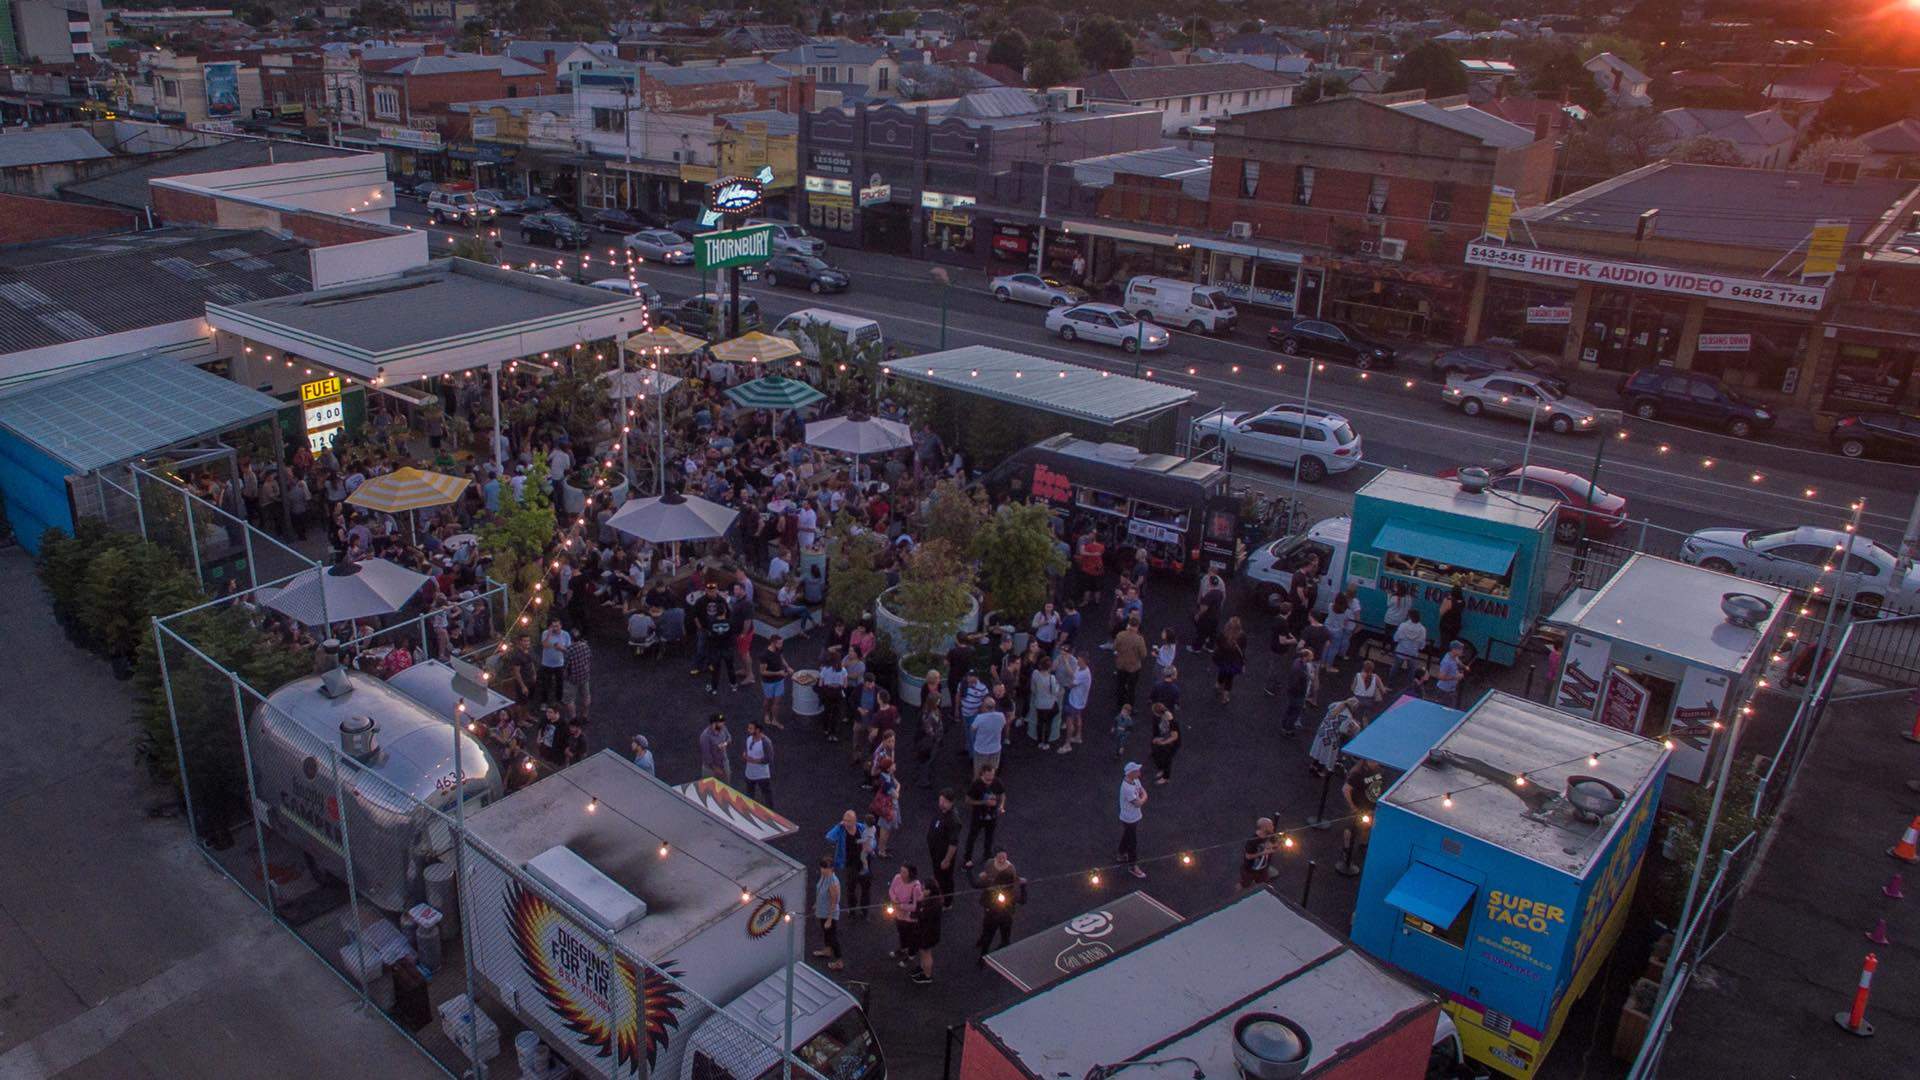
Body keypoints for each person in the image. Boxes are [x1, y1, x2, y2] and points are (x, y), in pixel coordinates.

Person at [974, 850, 1020, 964]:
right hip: (1004, 917)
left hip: (992, 915)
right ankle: (998, 953)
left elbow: (976, 885)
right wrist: (1023, 888)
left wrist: (970, 871)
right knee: (1003, 937)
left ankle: (983, 957)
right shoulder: (1011, 893)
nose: (1002, 860)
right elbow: (1021, 899)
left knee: (988, 935)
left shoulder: (993, 888)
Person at [963, 766, 1006, 869]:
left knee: (989, 837)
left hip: (992, 816)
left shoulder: (997, 782)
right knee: (972, 837)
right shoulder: (976, 784)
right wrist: (984, 802)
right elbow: (968, 800)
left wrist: (1001, 806)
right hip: (978, 816)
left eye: (992, 778)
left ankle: (987, 855)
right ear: (982, 774)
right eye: (987, 779)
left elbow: (1002, 794)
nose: (990, 781)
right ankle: (967, 858)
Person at [1310, 698, 1363, 777]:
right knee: (1326, 755)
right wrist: (1350, 731)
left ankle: (1312, 766)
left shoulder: (1336, 705)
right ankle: (1319, 771)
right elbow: (1342, 730)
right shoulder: (1348, 716)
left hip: (1322, 731)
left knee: (1319, 750)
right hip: (1331, 738)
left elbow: (1329, 707)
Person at [926, 789, 961, 907]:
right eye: (941, 800)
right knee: (938, 875)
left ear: (952, 802)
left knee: (946, 878)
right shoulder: (941, 811)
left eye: (945, 801)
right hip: (936, 852)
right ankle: (938, 894)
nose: (941, 803)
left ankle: (947, 902)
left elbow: (953, 843)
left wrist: (947, 860)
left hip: (943, 855)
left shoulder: (953, 820)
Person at [887, 865, 926, 965]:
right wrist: (895, 900)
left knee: (911, 936)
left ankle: (911, 955)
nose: (901, 874)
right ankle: (903, 948)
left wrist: (900, 906)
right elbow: (891, 890)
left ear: (910, 874)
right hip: (898, 913)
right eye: (901, 871)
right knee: (901, 932)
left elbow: (915, 906)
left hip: (910, 918)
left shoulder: (916, 887)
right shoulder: (897, 878)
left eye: (904, 872)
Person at [813, 854, 844, 971]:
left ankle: (839, 961)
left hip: (830, 913)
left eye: (825, 868)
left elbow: (834, 901)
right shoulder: (824, 877)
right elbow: (820, 889)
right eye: (821, 867)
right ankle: (827, 950)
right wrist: (816, 903)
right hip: (823, 910)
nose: (822, 870)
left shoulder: (833, 882)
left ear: (831, 868)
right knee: (826, 933)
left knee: (832, 937)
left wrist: (830, 919)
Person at [1117, 762, 1148, 879]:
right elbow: (1138, 802)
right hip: (1129, 818)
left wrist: (1142, 796)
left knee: (1127, 835)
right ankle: (1133, 866)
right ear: (1131, 773)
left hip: (1134, 817)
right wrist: (1145, 797)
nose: (1139, 772)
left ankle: (1121, 854)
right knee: (1132, 842)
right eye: (1137, 771)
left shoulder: (1135, 781)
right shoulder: (1127, 788)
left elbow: (1141, 790)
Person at [1112, 614, 1148, 710]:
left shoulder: (1120, 635)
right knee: (1131, 688)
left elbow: (1114, 647)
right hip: (1133, 667)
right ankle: (1130, 707)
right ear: (1137, 626)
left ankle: (1119, 704)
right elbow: (1143, 655)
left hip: (1121, 665)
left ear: (1128, 624)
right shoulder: (1139, 639)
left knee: (1120, 685)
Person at [1028, 655, 1063, 750]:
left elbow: (1033, 688)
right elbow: (1054, 692)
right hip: (1049, 705)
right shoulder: (1052, 678)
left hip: (1039, 703)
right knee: (1048, 724)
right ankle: (1046, 743)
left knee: (1039, 722)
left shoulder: (1035, 674)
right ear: (1049, 667)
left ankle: (1039, 741)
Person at [758, 634, 793, 729]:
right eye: (780, 643)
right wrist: (778, 673)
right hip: (768, 682)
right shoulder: (764, 655)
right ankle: (766, 714)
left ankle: (774, 720)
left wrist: (788, 667)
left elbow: (782, 658)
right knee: (768, 700)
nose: (782, 645)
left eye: (782, 643)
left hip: (779, 680)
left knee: (777, 702)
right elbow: (762, 672)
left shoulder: (779, 649)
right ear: (773, 643)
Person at [910, 879, 942, 985]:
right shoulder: (930, 900)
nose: (922, 891)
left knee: (926, 953)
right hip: (924, 931)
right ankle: (923, 967)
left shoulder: (934, 904)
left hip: (929, 933)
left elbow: (923, 915)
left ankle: (927, 975)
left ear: (930, 890)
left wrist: (919, 909)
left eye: (924, 889)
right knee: (922, 951)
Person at [968, 694, 1006, 777]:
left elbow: (972, 729)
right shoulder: (1001, 716)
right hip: (995, 749)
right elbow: (1003, 725)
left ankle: (978, 784)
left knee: (979, 771)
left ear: (984, 707)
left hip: (981, 749)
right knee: (992, 771)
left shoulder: (980, 718)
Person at [817, 650, 850, 742]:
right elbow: (845, 685)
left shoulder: (825, 669)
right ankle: (834, 733)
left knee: (827, 711)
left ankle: (826, 729)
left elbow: (820, 684)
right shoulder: (843, 670)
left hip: (828, 692)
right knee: (837, 713)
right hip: (838, 693)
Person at [1214, 616, 1247, 705]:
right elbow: (1243, 649)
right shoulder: (1242, 636)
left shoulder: (1222, 634)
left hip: (1222, 659)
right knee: (1229, 678)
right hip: (1234, 662)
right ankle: (1225, 697)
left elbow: (1218, 645)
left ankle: (1218, 684)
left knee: (1222, 671)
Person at [1239, 817, 1280, 889]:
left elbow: (1270, 844)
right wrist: (1264, 852)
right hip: (1250, 870)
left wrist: (1276, 845)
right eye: (1271, 825)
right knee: (1244, 886)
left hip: (1262, 869)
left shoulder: (1268, 835)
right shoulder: (1252, 841)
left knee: (1264, 884)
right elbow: (1248, 856)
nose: (1273, 827)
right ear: (1264, 828)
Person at [538, 619, 571, 705]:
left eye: (557, 626)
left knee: (559, 683)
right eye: (553, 626)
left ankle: (558, 700)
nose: (555, 628)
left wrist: (561, 648)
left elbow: (569, 650)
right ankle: (544, 702)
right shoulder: (545, 633)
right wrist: (549, 634)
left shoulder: (566, 634)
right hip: (546, 664)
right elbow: (544, 645)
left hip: (559, 664)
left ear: (561, 626)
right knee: (545, 684)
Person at [742, 720, 774, 805]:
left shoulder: (766, 742)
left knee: (766, 794)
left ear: (758, 730)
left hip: (762, 775)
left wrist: (753, 760)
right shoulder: (749, 739)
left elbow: (768, 759)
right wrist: (745, 754)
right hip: (749, 773)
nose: (748, 730)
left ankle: (769, 810)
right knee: (750, 793)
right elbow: (747, 749)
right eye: (748, 728)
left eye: (751, 728)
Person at [563, 630, 593, 721]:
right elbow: (589, 659)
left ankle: (574, 719)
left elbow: (566, 665)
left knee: (569, 700)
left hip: (572, 678)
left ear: (571, 639)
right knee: (586, 696)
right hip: (585, 676)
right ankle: (585, 716)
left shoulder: (569, 650)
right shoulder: (586, 646)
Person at [1392, 610, 1428, 683]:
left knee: (1395, 668)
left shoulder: (1403, 626)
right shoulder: (1422, 629)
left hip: (1401, 651)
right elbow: (1422, 645)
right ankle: (1409, 685)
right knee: (1412, 671)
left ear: (1409, 617)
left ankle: (1390, 683)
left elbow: (1395, 638)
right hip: (1413, 653)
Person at [1149, 704, 1181, 784]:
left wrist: (1163, 742)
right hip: (1164, 739)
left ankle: (1166, 778)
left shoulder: (1172, 722)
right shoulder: (1163, 717)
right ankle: (1162, 770)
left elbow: (1174, 737)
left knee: (1167, 760)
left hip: (1171, 744)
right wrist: (1158, 738)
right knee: (1158, 755)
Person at [1436, 640, 1471, 707]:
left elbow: (1458, 661)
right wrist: (1456, 677)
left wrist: (1464, 666)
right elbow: (1441, 677)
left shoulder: (1454, 656)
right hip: (1444, 691)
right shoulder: (1447, 662)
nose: (1462, 651)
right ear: (1454, 650)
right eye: (1460, 649)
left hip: (1451, 690)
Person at [698, 713, 731, 782]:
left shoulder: (723, 728)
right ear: (713, 724)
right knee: (710, 787)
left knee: (726, 786)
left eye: (723, 722)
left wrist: (725, 744)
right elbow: (706, 756)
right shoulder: (705, 736)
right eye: (720, 722)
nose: (723, 724)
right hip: (710, 769)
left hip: (724, 763)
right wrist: (716, 769)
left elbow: (729, 737)